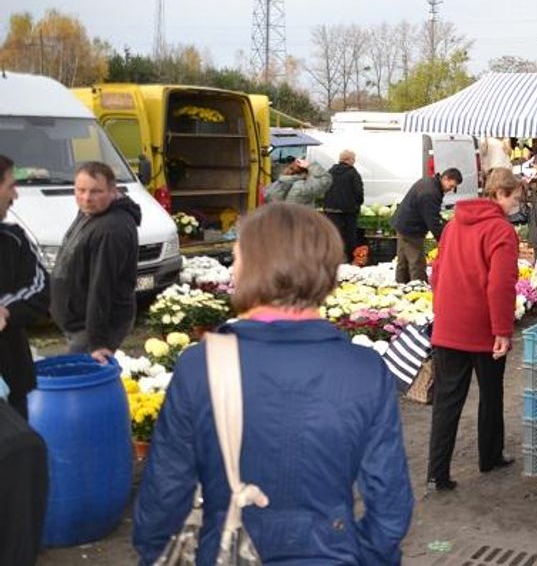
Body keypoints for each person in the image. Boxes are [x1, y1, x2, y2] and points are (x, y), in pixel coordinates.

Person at [133, 202, 413, 564]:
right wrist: (364, 556)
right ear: (328, 271)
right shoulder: (364, 370)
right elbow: (389, 501)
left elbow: (165, 495)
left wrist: (155, 553)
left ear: (250, 268)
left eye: (237, 257)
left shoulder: (200, 366)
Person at [427, 168, 521, 491]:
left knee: (446, 400)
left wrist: (441, 311)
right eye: (514, 198)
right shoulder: (502, 231)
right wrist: (502, 330)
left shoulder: (453, 225)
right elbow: (500, 286)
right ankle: (489, 456)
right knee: (490, 394)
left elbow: (436, 273)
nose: (515, 204)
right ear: (499, 195)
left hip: (450, 324)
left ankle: (437, 472)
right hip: (482, 327)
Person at [49, 161, 139, 362]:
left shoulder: (111, 230)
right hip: (78, 322)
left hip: (92, 330)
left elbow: (102, 287)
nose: (86, 198)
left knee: (80, 386)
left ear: (113, 191)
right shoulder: (91, 212)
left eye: (96, 191)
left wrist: (97, 343)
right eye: (80, 190)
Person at [0, 155, 49, 419]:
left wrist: (5, 310)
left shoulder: (13, 239)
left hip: (12, 376)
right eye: (10, 185)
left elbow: (40, 288)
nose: (15, 195)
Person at [392, 168, 462, 283]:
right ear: (446, 178)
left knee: (403, 260)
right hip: (411, 228)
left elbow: (432, 215)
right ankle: (418, 289)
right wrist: (444, 239)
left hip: (403, 223)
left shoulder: (430, 182)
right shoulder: (431, 193)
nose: (451, 189)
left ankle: (402, 284)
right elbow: (432, 220)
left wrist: (445, 225)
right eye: (451, 186)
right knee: (417, 261)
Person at [323, 149, 364, 262]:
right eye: (353, 159)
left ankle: (333, 258)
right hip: (348, 211)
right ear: (348, 160)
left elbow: (324, 189)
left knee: (334, 235)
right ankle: (349, 259)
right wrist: (357, 204)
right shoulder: (352, 173)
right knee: (349, 237)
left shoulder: (330, 172)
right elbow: (358, 192)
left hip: (330, 210)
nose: (354, 161)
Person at [264, 158, 332, 207]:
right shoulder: (303, 187)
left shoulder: (277, 184)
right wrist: (310, 165)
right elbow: (325, 179)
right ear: (306, 173)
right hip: (299, 223)